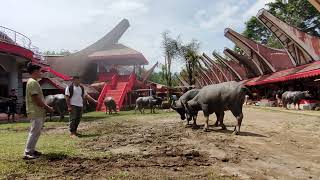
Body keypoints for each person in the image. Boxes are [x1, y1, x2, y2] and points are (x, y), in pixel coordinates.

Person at [24, 63, 54, 159]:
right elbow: (36, 99)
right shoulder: (32, 82)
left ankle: (31, 150)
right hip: (35, 111)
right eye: (40, 71)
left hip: (38, 111)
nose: (41, 73)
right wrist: (47, 107)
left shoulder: (33, 82)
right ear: (35, 71)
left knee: (36, 132)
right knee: (34, 131)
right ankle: (28, 152)